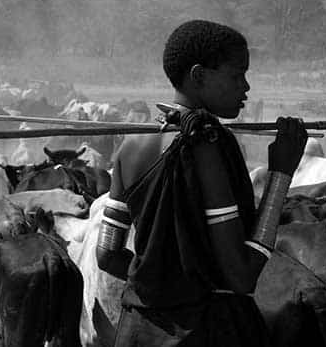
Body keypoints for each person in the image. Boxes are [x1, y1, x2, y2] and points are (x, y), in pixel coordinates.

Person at [96, 19, 308, 346]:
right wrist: (281, 172)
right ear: (199, 76)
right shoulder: (211, 147)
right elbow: (241, 276)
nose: (246, 87)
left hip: (138, 330)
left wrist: (160, 282)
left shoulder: (130, 145)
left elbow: (107, 256)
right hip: (208, 331)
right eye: (237, 75)